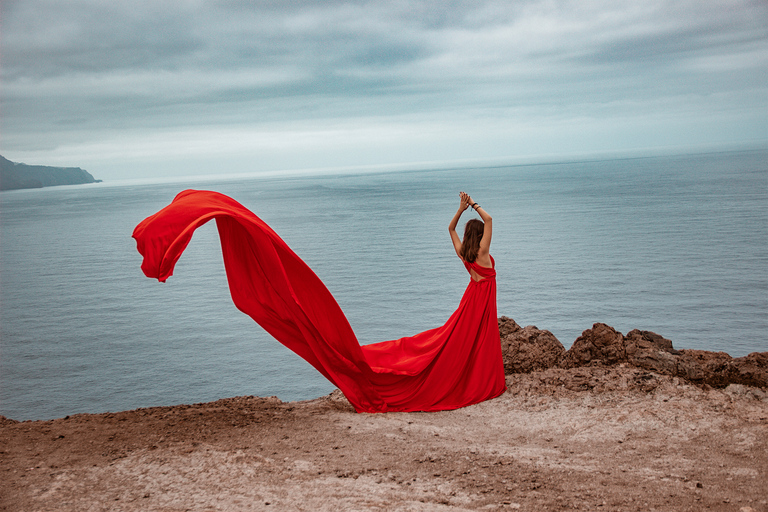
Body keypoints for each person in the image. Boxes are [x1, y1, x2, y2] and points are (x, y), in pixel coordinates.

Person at [134, 189, 506, 413]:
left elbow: (450, 229)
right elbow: (490, 219)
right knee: (471, 344)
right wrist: (475, 206)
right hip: (480, 301)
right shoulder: (484, 255)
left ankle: (474, 380)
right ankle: (483, 383)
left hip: (469, 299)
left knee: (451, 344)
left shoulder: (466, 254)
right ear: (481, 237)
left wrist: (461, 208)